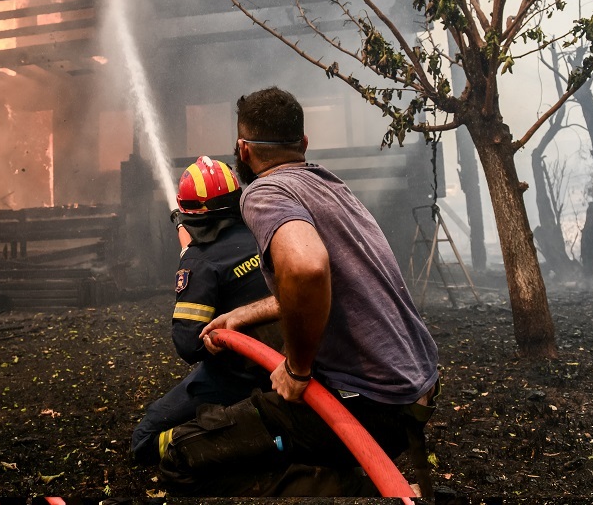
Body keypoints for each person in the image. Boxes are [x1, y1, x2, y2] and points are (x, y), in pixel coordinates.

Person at [157, 87, 441, 497]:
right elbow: (327, 284)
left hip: (371, 406)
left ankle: (343, 487)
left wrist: (297, 369)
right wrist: (243, 315)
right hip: (416, 390)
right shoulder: (328, 184)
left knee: (181, 458)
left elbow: (307, 271)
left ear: (243, 150)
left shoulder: (265, 193)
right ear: (304, 144)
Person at [131, 156, 281, 465]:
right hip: (288, 368)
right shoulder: (265, 232)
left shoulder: (201, 261)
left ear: (191, 214)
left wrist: (188, 256)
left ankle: (235, 445)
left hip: (236, 377)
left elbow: (189, 345)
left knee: (144, 439)